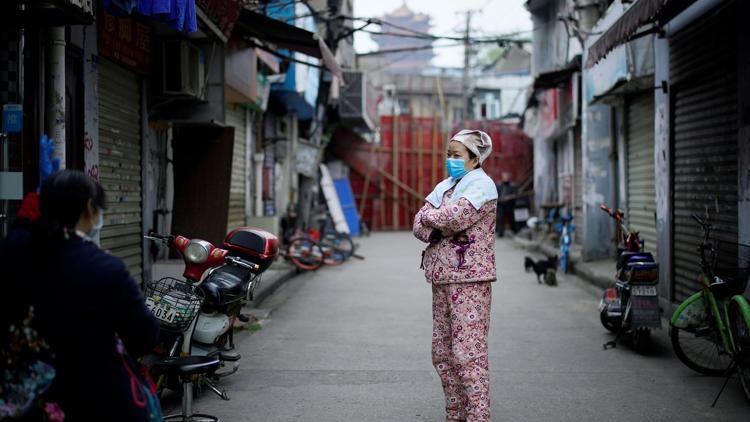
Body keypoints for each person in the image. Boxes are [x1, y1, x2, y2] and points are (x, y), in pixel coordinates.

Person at [0, 170, 160, 421]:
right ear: (89, 208)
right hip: (89, 401)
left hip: (19, 401)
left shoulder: (11, 252)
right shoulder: (103, 267)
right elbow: (144, 336)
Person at [413, 129, 498, 422]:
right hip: (442, 277)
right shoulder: (446, 187)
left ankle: (477, 416)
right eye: (448, 154)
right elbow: (418, 224)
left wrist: (432, 219)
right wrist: (431, 222)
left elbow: (455, 217)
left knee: (467, 354)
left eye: (457, 155)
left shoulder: (482, 187)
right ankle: (455, 414)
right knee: (443, 352)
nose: (451, 160)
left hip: (470, 280)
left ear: (475, 158)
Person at [495, 171, 518, 237]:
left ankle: (515, 231)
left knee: (511, 219)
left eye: (507, 177)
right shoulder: (499, 185)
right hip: (501, 205)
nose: (506, 178)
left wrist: (509, 197)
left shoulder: (512, 185)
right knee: (500, 219)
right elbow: (496, 194)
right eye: (504, 177)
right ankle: (500, 233)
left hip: (509, 205)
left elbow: (515, 195)